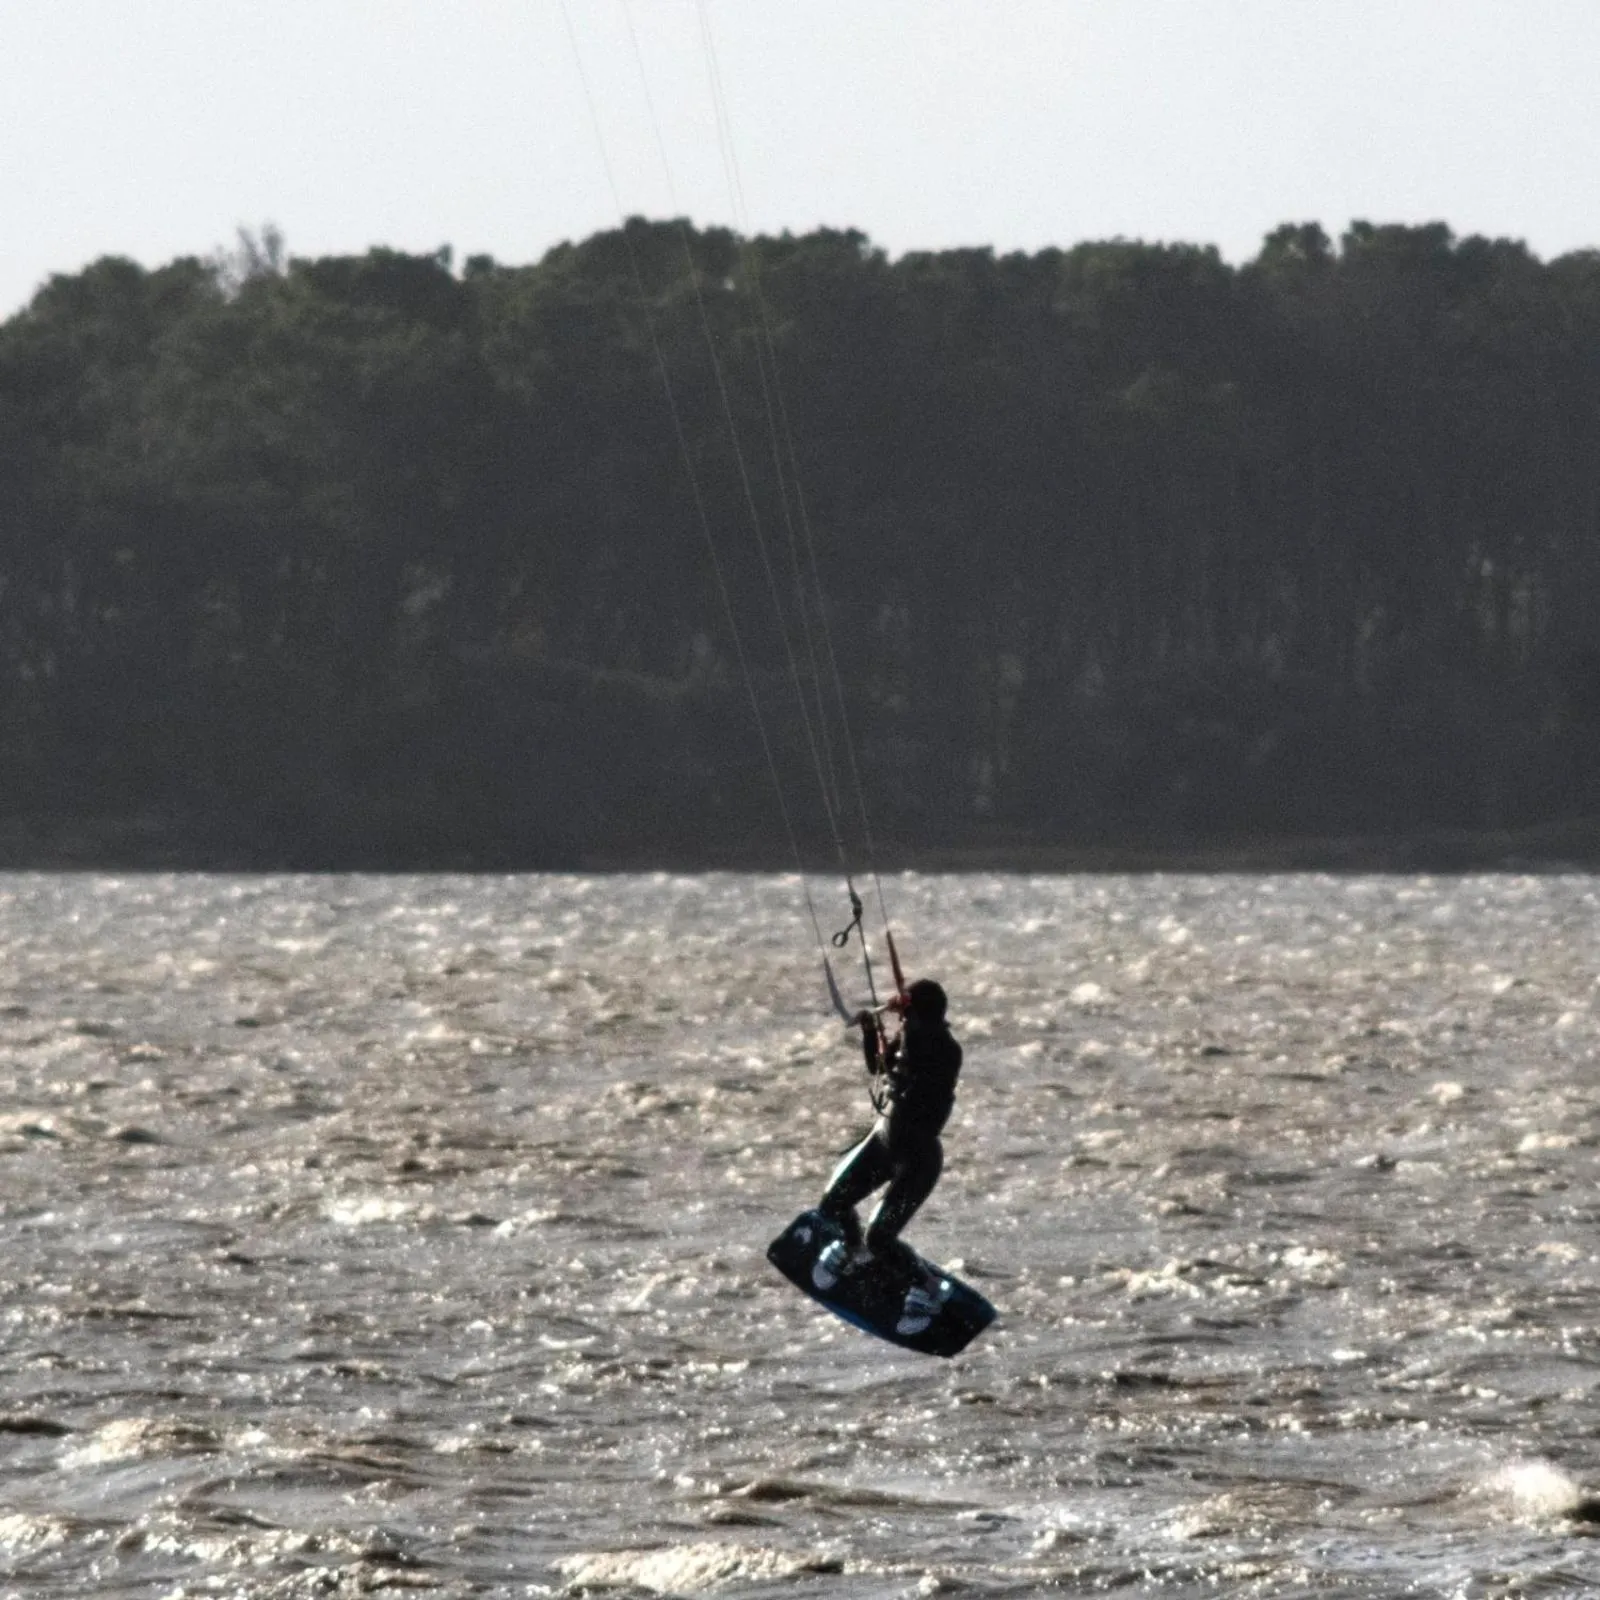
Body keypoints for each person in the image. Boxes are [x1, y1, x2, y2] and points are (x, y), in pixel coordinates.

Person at [812, 977, 962, 1329]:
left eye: (908, 1013)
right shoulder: (912, 1038)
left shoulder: (943, 1047)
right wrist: (870, 1030)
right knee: (833, 1204)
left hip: (918, 1157)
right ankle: (853, 1251)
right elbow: (878, 1066)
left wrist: (903, 1009)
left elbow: (920, 1040)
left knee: (880, 1236)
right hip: (885, 1141)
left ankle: (928, 1291)